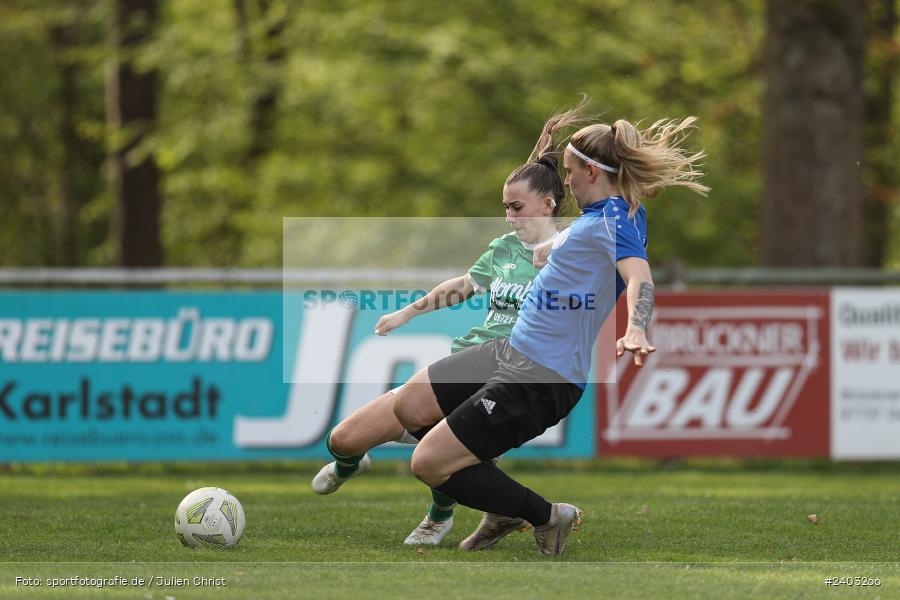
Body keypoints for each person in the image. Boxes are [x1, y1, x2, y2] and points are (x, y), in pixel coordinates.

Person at [393, 114, 709, 555]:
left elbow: (640, 278)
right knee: (409, 404)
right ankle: (496, 497)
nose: (566, 180)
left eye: (570, 171)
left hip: (541, 376)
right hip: (510, 353)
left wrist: (636, 326)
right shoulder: (602, 216)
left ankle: (545, 515)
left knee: (428, 462)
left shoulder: (613, 221)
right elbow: (575, 247)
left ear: (592, 173)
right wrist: (547, 249)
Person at [310, 104, 586, 548]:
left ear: (548, 204)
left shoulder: (572, 249)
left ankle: (442, 514)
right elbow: (464, 285)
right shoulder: (503, 248)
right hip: (472, 358)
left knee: (437, 450)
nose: (510, 216)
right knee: (344, 438)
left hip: (513, 377)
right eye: (505, 208)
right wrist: (409, 312)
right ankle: (358, 466)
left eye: (517, 207)